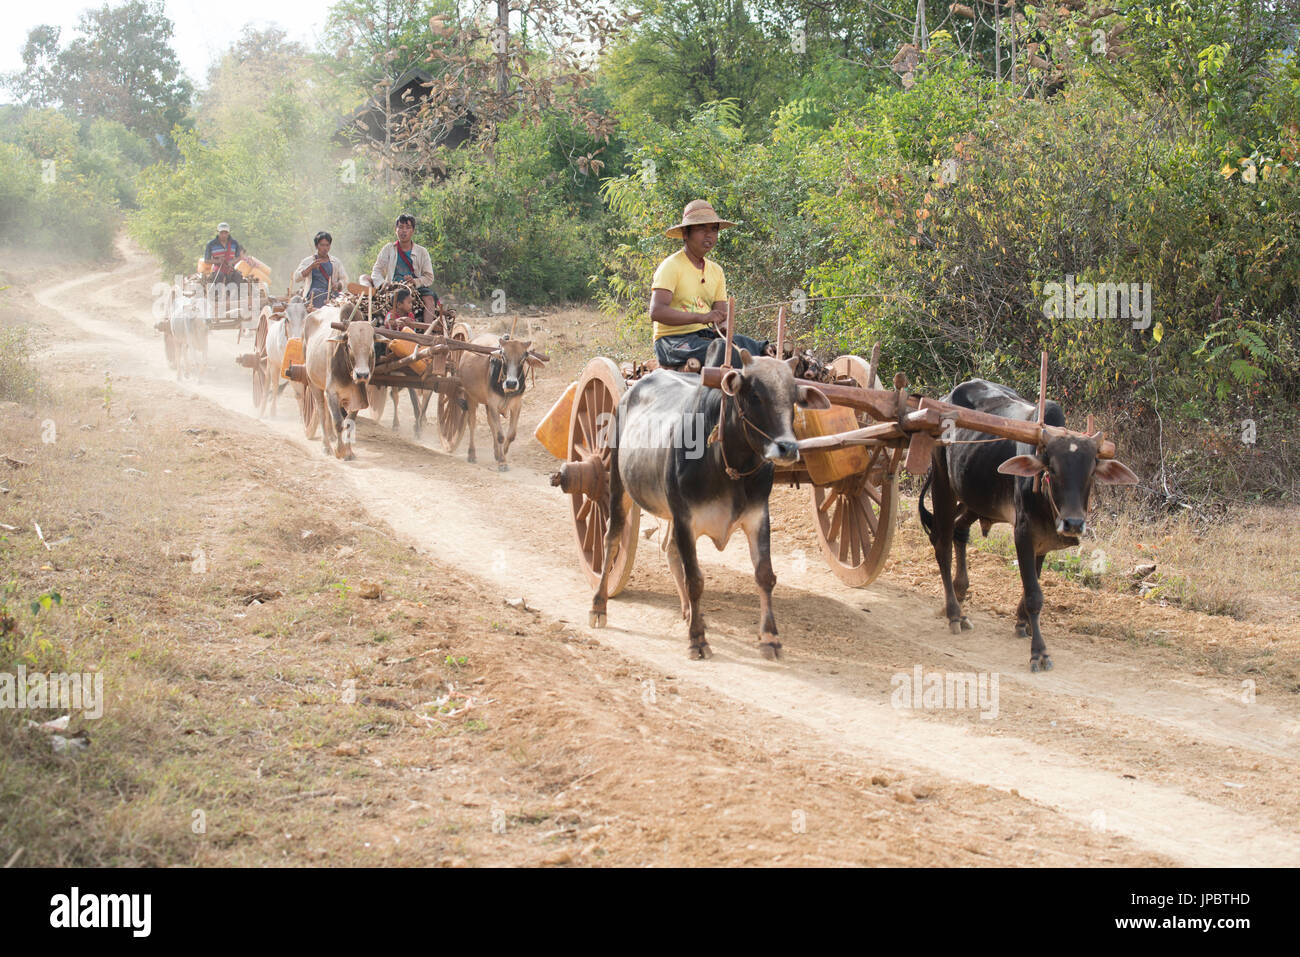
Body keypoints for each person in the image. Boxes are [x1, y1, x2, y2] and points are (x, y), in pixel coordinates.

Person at [649, 200, 769, 371]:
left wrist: (722, 327)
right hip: (673, 341)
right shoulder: (671, 266)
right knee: (722, 350)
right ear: (685, 233)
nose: (709, 235)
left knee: (755, 347)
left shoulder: (716, 271)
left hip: (704, 338)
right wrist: (701, 318)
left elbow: (721, 315)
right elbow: (657, 312)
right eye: (701, 228)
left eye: (713, 229)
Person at [368, 213, 438, 319]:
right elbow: (376, 270)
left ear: (413, 231)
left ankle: (427, 331)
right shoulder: (388, 249)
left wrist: (415, 281)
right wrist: (382, 284)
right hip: (392, 287)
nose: (404, 231)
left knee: (429, 299)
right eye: (400, 227)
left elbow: (429, 277)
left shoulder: (422, 252)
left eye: (408, 228)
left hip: (415, 289)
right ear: (396, 230)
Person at [293, 231, 349, 309]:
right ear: (316, 246)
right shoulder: (308, 261)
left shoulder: (336, 262)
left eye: (327, 245)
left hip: (331, 295)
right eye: (322, 245)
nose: (325, 248)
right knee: (315, 292)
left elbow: (344, 279)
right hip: (314, 296)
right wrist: (311, 267)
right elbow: (296, 277)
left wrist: (338, 284)